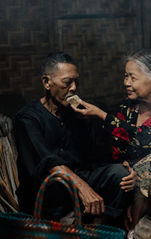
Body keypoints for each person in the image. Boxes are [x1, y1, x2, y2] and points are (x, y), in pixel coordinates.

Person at [71, 48, 151, 228]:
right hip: (137, 175)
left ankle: (135, 232)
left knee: (150, 163)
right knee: (122, 175)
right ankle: (109, 233)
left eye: (133, 77)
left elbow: (147, 139)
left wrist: (102, 115)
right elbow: (119, 151)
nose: (126, 83)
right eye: (125, 76)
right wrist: (128, 170)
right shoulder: (127, 108)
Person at [14, 52, 136, 225]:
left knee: (120, 175)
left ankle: (97, 231)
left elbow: (95, 159)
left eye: (76, 82)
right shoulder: (27, 118)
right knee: (57, 182)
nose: (73, 88)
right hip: (47, 191)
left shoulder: (77, 114)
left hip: (79, 182)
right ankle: (68, 224)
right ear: (47, 82)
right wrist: (82, 187)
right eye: (67, 82)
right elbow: (48, 162)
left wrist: (124, 168)